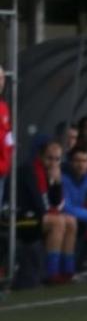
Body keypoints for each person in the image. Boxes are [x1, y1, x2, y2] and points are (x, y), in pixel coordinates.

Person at [16, 139, 77, 284]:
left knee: (71, 221)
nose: (53, 163)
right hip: (21, 218)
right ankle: (51, 272)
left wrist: (56, 183)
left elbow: (56, 203)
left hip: (37, 216)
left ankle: (67, 270)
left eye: (57, 159)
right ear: (40, 156)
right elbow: (39, 204)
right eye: (49, 158)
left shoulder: (50, 172)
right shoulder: (29, 170)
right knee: (57, 222)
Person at [0, 65, 11, 213]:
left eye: (2, 78)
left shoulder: (3, 107)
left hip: (2, 169)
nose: (1, 82)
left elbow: (7, 136)